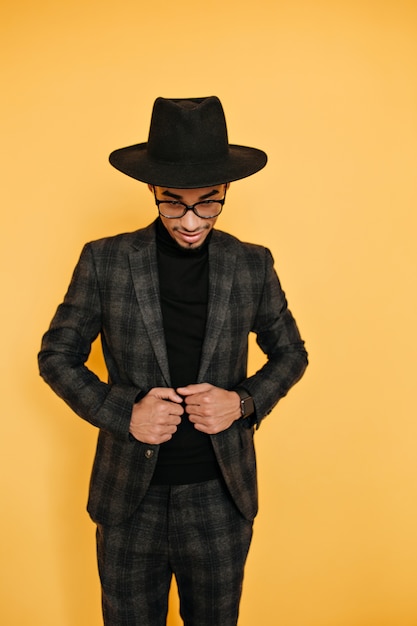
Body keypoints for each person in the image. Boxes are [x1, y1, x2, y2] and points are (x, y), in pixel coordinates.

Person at [38, 96, 308, 626]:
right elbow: (57, 355)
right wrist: (124, 411)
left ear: (226, 191)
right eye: (172, 202)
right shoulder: (105, 259)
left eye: (207, 203)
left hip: (220, 498)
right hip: (127, 503)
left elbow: (291, 353)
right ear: (151, 191)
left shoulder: (252, 263)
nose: (189, 221)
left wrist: (243, 401)